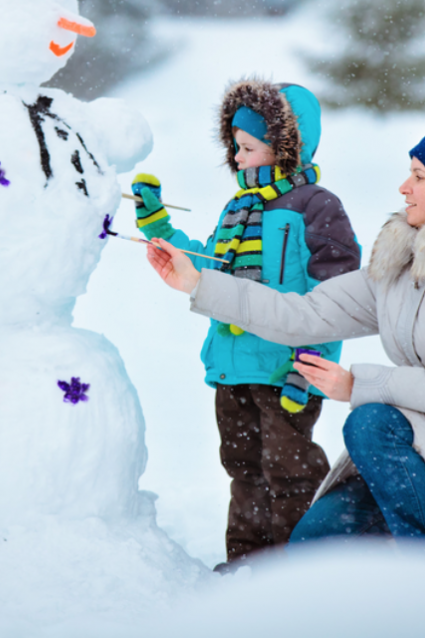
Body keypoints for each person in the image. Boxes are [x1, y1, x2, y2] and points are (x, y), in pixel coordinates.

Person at [145, 121, 425, 556]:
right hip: (416, 447)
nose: (403, 188)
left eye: (418, 177)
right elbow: (304, 314)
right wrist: (198, 284)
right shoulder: (401, 269)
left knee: (369, 420)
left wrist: (356, 386)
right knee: (311, 549)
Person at [131, 79, 361, 569]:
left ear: (284, 148)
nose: (237, 158)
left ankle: (298, 568)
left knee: (289, 470)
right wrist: (158, 230)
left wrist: (311, 368)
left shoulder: (317, 208)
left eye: (248, 147)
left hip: (286, 372)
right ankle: (247, 565)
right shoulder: (237, 208)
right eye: (234, 147)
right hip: (234, 370)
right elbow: (208, 265)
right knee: (244, 469)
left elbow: (339, 298)